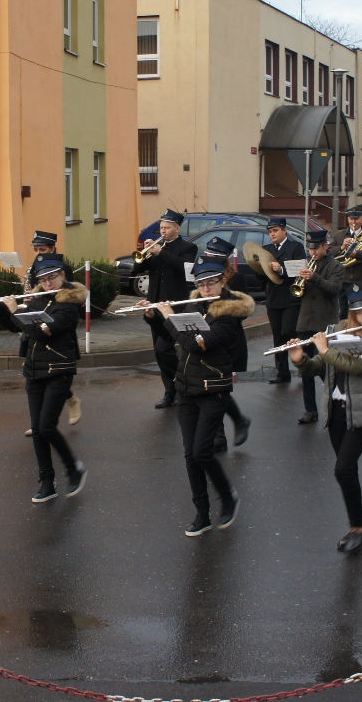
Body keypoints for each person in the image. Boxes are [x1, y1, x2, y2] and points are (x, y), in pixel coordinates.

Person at [291, 289, 362, 552]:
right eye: (358, 312)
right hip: (336, 410)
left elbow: (359, 367)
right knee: (347, 472)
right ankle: (356, 524)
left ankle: (358, 526)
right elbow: (319, 366)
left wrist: (325, 350)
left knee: (343, 469)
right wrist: (301, 360)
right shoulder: (338, 331)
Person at [0, 254, 88, 503]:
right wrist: (0, 309)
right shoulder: (39, 299)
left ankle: (73, 467)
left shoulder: (70, 303)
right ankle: (47, 481)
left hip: (59, 370)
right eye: (43, 279)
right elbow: (17, 326)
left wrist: (14, 311)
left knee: (46, 426)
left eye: (52, 278)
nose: (47, 283)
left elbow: (42, 332)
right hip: (34, 370)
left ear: (62, 275)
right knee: (38, 431)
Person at [166, 261, 251, 536]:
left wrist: (170, 319)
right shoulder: (194, 305)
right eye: (201, 284)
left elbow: (194, 344)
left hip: (213, 388)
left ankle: (227, 496)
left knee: (203, 451)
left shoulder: (229, 314)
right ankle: (202, 512)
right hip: (186, 389)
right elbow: (173, 338)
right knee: (191, 455)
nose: (205, 288)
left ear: (222, 282)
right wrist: (155, 315)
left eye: (210, 283)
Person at [133, 209, 199, 409]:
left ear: (177, 228)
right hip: (154, 306)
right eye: (161, 227)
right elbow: (137, 270)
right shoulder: (155, 246)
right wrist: (143, 255)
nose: (162, 231)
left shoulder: (188, 247)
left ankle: (180, 387)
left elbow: (185, 268)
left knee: (164, 349)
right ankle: (170, 393)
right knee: (159, 351)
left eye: (167, 228)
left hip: (175, 306)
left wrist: (161, 253)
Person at [194, 237, 252, 452]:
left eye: (215, 255)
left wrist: (221, 312)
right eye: (209, 253)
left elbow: (242, 313)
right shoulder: (205, 279)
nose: (209, 257)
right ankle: (229, 427)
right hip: (206, 337)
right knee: (211, 389)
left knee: (218, 390)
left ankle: (224, 430)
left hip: (228, 340)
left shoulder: (236, 279)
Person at [27, 230, 80, 429]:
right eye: (36, 249)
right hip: (36, 320)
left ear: (53, 248)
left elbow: (66, 294)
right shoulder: (35, 267)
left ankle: (70, 402)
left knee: (54, 375)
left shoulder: (62, 268)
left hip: (57, 322)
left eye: (43, 249)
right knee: (35, 370)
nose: (39, 253)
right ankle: (38, 422)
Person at [295, 229, 345, 424]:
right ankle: (310, 410)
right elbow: (298, 292)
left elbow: (334, 289)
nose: (312, 252)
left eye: (316, 248)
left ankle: (337, 401)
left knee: (326, 367)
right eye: (310, 248)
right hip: (305, 321)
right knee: (306, 368)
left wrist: (314, 277)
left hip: (325, 323)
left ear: (326, 246)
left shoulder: (336, 266)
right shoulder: (307, 264)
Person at [261, 217, 306, 384]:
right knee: (277, 336)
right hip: (273, 298)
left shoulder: (295, 247)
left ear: (284, 230)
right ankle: (282, 372)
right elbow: (261, 275)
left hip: (290, 298)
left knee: (289, 332)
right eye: (270, 231)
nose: (272, 234)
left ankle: (303, 364)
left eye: (275, 230)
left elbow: (300, 270)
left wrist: (281, 269)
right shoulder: (266, 250)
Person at [333, 206, 362, 301]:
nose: (353, 222)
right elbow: (329, 252)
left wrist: (357, 253)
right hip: (343, 280)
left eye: (356, 219)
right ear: (348, 219)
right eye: (351, 219)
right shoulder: (339, 235)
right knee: (343, 313)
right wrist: (342, 247)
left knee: (361, 309)